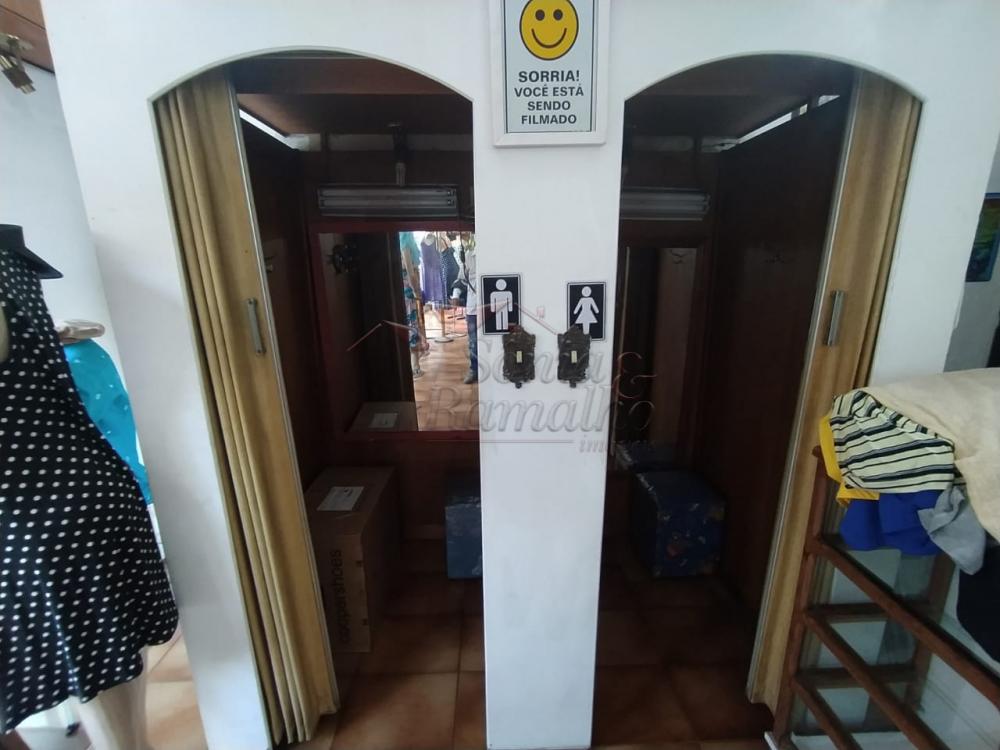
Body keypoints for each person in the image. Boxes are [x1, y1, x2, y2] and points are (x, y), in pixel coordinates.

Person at [460, 233, 478, 384]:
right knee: (473, 341)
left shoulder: (495, 254)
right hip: (473, 307)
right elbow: (461, 279)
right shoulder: (468, 256)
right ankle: (474, 369)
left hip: (492, 306)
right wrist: (455, 294)